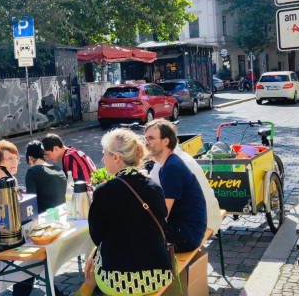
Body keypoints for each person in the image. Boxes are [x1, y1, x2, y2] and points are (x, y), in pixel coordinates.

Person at [83, 128, 173, 296]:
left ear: (116, 157)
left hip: (119, 282)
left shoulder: (104, 191)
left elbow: (96, 236)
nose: (102, 159)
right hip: (157, 276)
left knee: (94, 270)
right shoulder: (154, 187)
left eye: (105, 155)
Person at [144, 119, 207, 252]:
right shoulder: (168, 164)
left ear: (165, 141)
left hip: (186, 236)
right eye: (145, 138)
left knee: (132, 237)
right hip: (187, 229)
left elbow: (164, 213)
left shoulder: (171, 168)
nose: (146, 143)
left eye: (151, 138)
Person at [149, 149, 222, 233]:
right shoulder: (183, 156)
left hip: (198, 223)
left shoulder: (163, 165)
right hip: (212, 214)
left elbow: (156, 197)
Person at [24, 140, 67, 212]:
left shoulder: (32, 171)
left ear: (30, 158)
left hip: (44, 217)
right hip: (63, 212)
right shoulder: (58, 170)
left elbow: (30, 201)